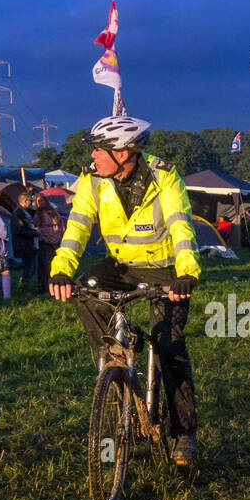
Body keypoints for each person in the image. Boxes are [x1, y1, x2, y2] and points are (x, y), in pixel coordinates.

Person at [48, 115, 202, 465]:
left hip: (165, 268)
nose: (93, 158)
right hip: (120, 266)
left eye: (100, 151)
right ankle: (114, 362)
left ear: (125, 152)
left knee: (169, 346)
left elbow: (181, 225)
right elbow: (77, 229)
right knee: (86, 292)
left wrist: (186, 272)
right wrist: (61, 271)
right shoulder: (93, 181)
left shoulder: (164, 176)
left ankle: (183, 434)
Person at [34, 195, 63, 297]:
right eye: (37, 201)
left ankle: (57, 286)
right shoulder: (38, 215)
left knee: (57, 266)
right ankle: (46, 289)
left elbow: (61, 225)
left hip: (56, 242)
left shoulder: (53, 212)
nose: (39, 203)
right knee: (46, 267)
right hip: (45, 242)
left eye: (41, 200)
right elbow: (35, 227)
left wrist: (60, 235)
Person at [11, 191, 40, 294]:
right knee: (29, 267)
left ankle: (23, 285)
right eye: (30, 201)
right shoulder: (17, 214)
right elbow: (19, 230)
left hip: (31, 244)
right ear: (25, 201)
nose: (31, 203)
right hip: (25, 245)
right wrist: (35, 232)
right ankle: (23, 287)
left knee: (33, 268)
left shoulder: (25, 212)